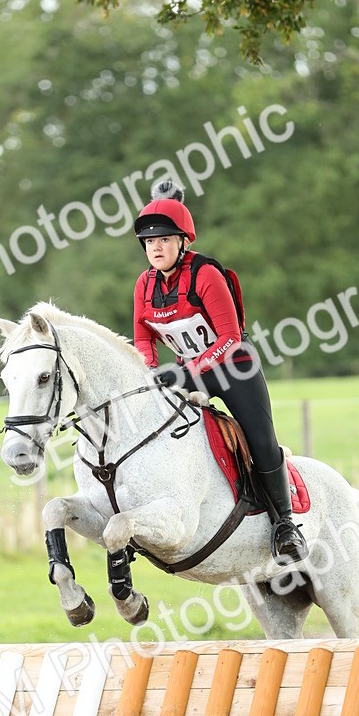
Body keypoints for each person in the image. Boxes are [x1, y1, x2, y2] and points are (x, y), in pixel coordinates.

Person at [132, 178, 308, 563]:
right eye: (149, 242)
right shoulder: (144, 286)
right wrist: (149, 368)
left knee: (260, 440)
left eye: (163, 240)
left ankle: (285, 526)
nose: (155, 248)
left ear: (183, 242)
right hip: (189, 372)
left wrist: (188, 371)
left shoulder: (205, 274)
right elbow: (143, 338)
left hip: (234, 368)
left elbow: (229, 337)